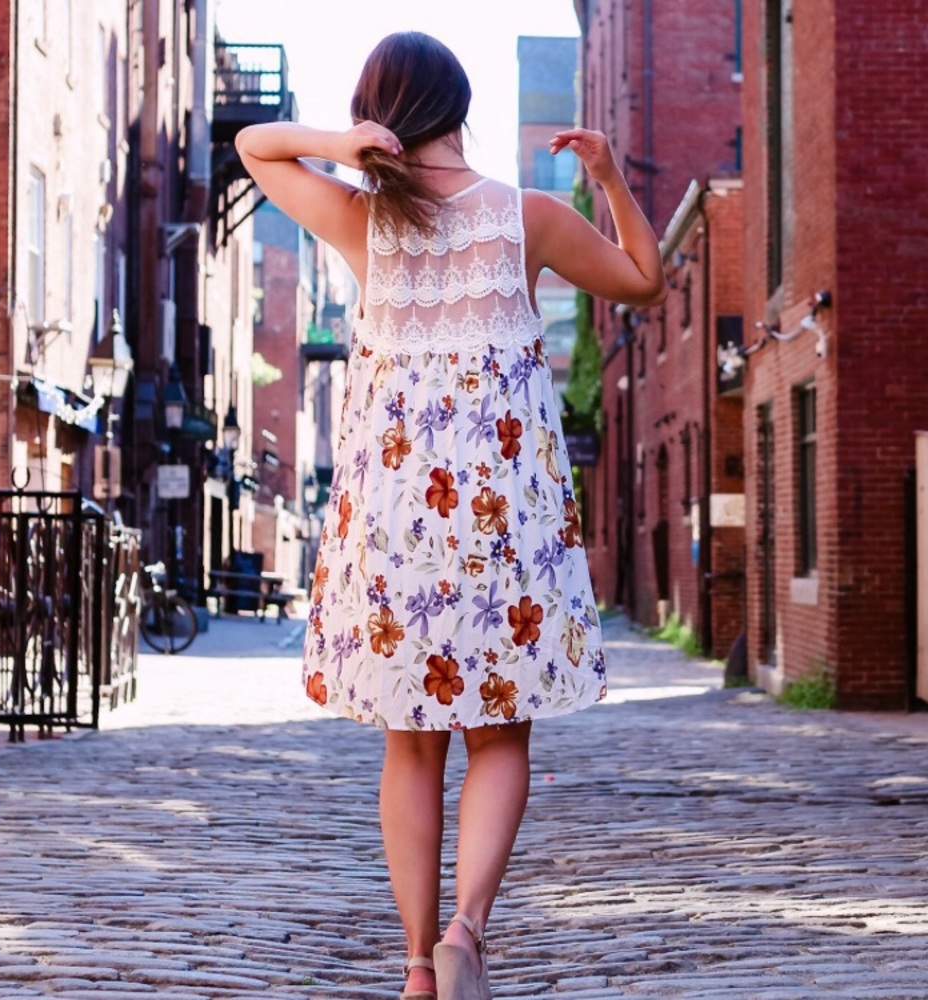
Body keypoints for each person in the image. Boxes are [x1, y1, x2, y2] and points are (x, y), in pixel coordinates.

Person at [235, 31, 666, 1000]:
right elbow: (644, 278)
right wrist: (607, 177)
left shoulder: (358, 220)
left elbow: (254, 146)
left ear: (380, 113)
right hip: (504, 514)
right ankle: (469, 926)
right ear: (460, 106)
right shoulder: (528, 218)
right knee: (499, 734)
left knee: (410, 740)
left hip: (398, 520)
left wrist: (341, 145)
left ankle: (418, 964)